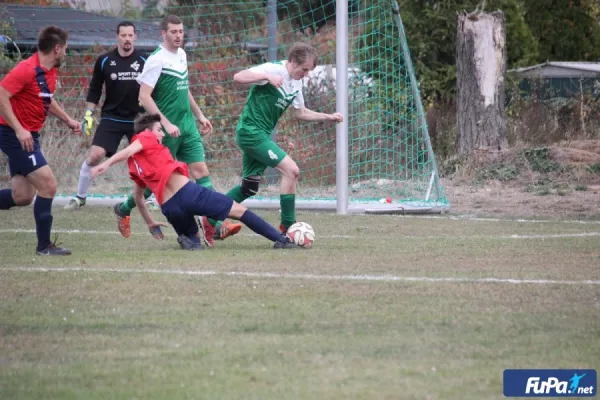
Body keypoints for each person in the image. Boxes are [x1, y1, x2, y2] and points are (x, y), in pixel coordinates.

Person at [112, 14, 242, 244]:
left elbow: (185, 88)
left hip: (187, 126)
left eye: (181, 31)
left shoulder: (181, 55)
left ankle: (214, 224)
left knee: (201, 171)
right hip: (166, 131)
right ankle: (123, 208)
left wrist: (199, 115)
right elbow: (144, 96)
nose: (178, 35)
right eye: (173, 31)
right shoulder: (155, 59)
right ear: (163, 33)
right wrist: (164, 123)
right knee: (154, 186)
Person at [199, 42, 343, 246]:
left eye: (309, 71)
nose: (306, 74)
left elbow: (300, 112)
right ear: (293, 62)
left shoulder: (296, 82)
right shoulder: (273, 69)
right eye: (304, 69)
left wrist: (327, 116)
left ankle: (209, 218)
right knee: (291, 170)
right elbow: (238, 77)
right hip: (251, 132)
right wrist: (266, 77)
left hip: (260, 135)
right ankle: (287, 227)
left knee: (249, 188)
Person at [91, 113, 300, 250]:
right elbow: (129, 149)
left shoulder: (136, 165)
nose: (161, 134)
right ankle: (281, 240)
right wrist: (106, 164)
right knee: (240, 212)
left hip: (171, 209)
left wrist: (149, 222)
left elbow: (138, 196)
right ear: (147, 131)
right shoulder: (145, 138)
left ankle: (187, 237)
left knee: (195, 242)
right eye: (159, 130)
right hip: (190, 195)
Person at [0, 26, 82, 255]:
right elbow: (1, 94)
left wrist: (67, 119)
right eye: (65, 49)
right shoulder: (26, 69)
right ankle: (44, 246)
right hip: (14, 135)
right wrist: (19, 129)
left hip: (28, 136)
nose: (66, 53)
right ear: (57, 49)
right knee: (48, 185)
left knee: (23, 196)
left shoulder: (50, 70)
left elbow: (45, 98)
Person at [65, 21, 147, 210]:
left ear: (135, 37)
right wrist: (88, 114)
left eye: (130, 35)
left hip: (138, 120)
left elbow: (153, 88)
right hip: (111, 117)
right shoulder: (104, 60)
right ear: (117, 36)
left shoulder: (144, 60)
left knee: (147, 158)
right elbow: (94, 89)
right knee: (95, 155)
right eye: (123, 35)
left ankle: (149, 198)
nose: (127, 39)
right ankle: (80, 197)